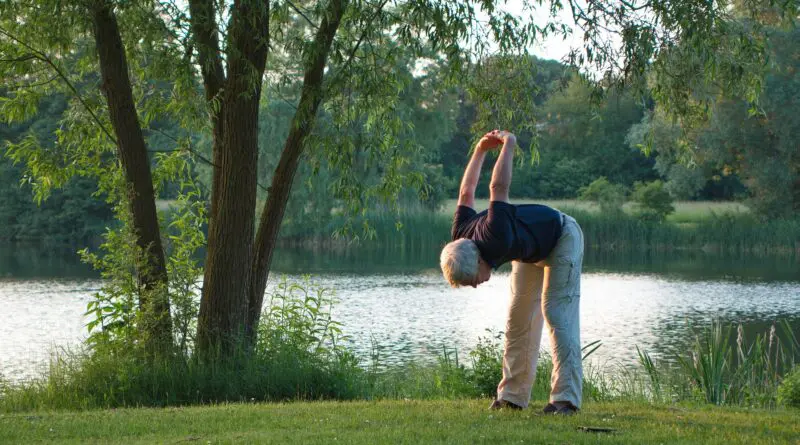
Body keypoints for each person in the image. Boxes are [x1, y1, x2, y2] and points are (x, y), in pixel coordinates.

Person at [439, 130, 584, 415]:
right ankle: (512, 397)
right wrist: (479, 150)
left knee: (556, 313)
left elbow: (498, 186)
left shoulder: (495, 235)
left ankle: (566, 400)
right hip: (529, 251)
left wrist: (509, 145)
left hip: (562, 237)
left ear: (479, 260)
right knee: (518, 320)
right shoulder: (460, 235)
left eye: (472, 281)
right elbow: (466, 192)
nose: (476, 286)